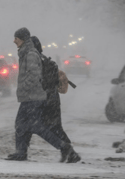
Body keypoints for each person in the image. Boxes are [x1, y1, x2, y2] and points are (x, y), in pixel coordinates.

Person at [6, 27, 77, 162]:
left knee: (36, 126)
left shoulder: (30, 54)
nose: (14, 41)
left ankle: (64, 147)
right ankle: (21, 152)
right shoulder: (25, 52)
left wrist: (24, 88)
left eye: (16, 38)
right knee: (21, 124)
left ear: (22, 39)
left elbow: (33, 76)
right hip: (30, 97)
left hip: (33, 97)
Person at [31, 36, 81, 163]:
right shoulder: (44, 60)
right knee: (54, 127)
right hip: (52, 98)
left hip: (45, 99)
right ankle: (69, 152)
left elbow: (41, 82)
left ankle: (69, 151)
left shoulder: (38, 61)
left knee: (45, 127)